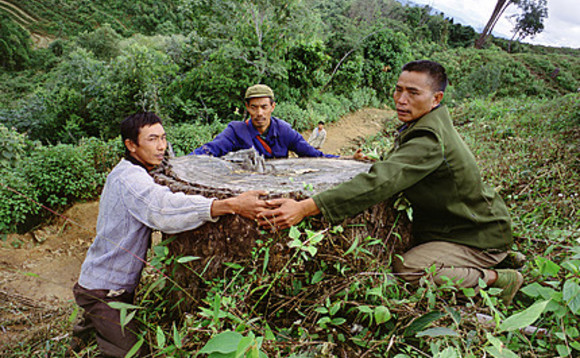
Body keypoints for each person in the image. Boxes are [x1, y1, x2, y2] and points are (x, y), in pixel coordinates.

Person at [257, 60, 523, 306]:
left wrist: (306, 207)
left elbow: (380, 181)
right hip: (458, 225)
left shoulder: (429, 138)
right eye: (398, 90)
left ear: (436, 98)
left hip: (475, 233)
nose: (401, 100)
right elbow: (395, 164)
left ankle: (495, 276)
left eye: (413, 93)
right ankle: (496, 257)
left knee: (407, 267)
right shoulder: (427, 123)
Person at [71, 112, 268, 357]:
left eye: (163, 138)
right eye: (152, 139)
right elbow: (163, 209)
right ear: (131, 145)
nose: (161, 146)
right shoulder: (130, 180)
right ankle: (91, 327)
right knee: (133, 353)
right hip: (104, 291)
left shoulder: (134, 169)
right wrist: (231, 205)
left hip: (105, 284)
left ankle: (84, 334)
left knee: (92, 335)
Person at [192, 84, 364, 160]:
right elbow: (210, 149)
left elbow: (312, 154)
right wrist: (181, 163)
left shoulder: (284, 130)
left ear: (272, 107)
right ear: (247, 107)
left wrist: (348, 158)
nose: (259, 113)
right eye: (254, 107)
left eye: (264, 107)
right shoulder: (236, 130)